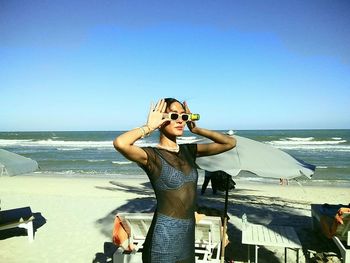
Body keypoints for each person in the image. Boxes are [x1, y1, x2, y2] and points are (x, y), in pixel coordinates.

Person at [113, 98, 236, 263]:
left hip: (187, 235)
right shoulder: (152, 156)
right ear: (161, 119)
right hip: (162, 238)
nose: (180, 121)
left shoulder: (188, 151)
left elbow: (230, 142)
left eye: (184, 116)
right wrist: (149, 127)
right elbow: (120, 143)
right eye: (174, 115)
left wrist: (197, 129)